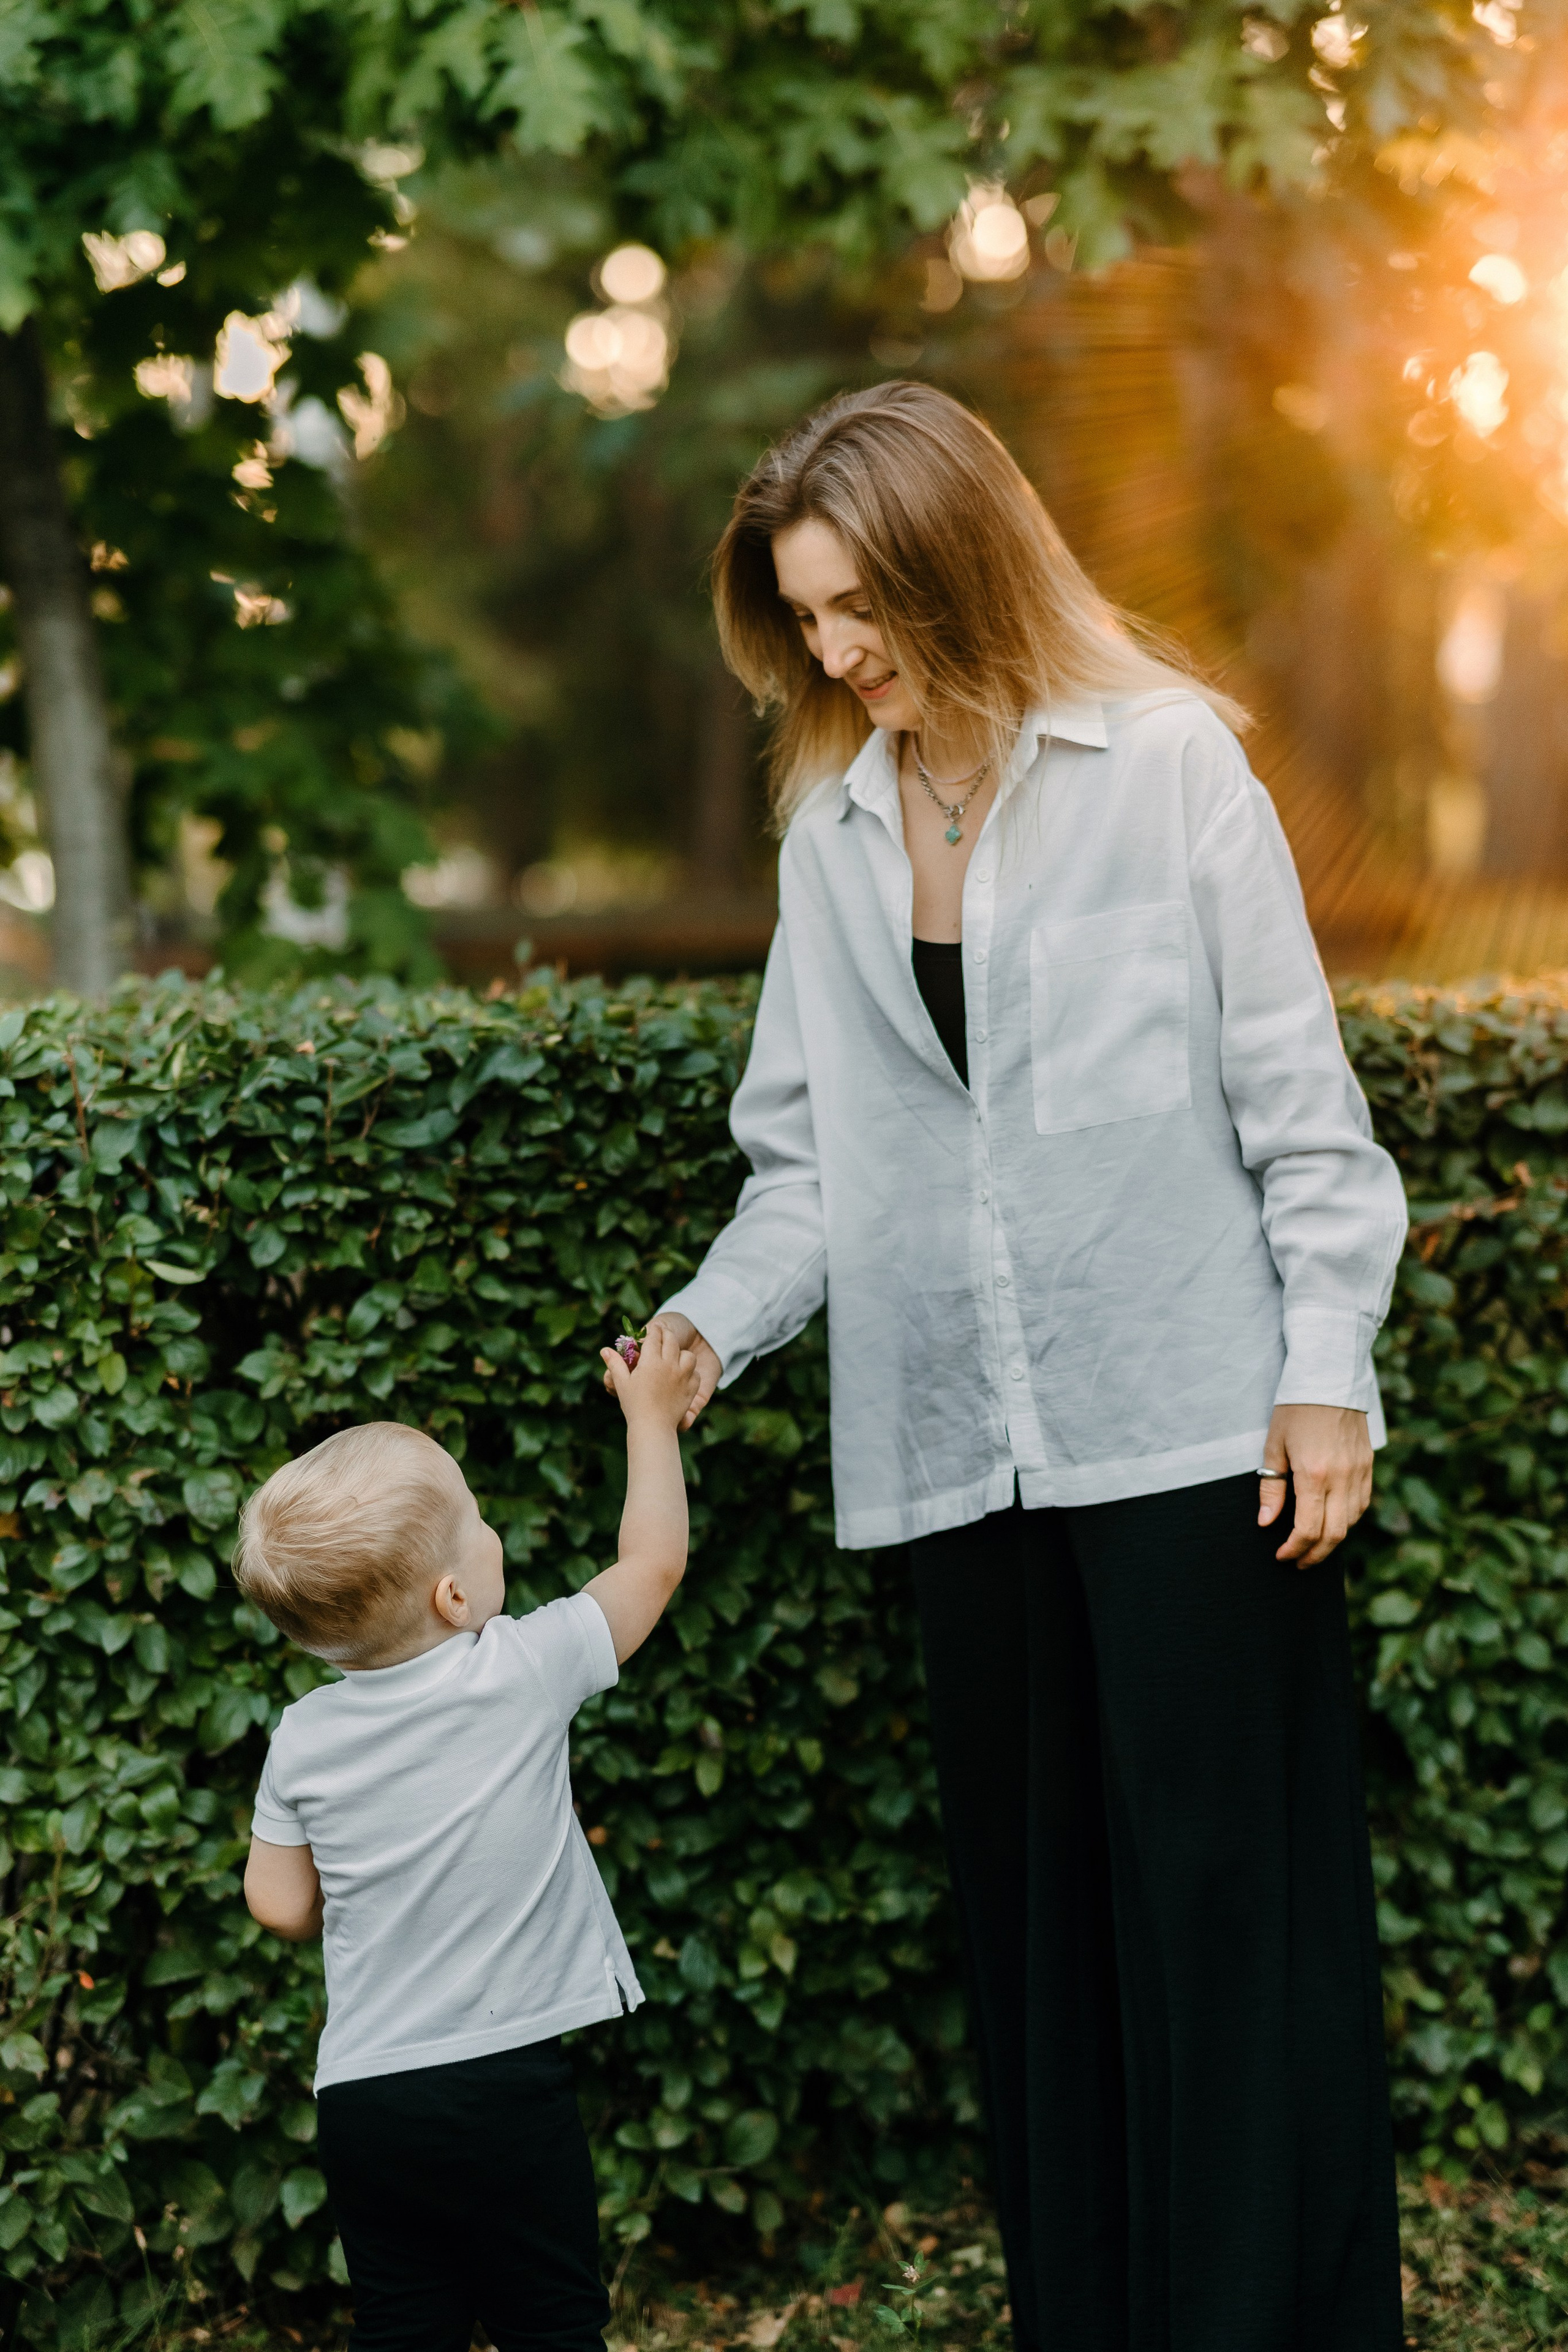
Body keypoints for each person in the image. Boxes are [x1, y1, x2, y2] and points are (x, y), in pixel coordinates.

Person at [641, 383, 1408, 2351]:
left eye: (856, 607)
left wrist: (1327, 1367)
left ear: (957, 564)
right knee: (1046, 1947)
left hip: (1188, 1432)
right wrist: (712, 1328)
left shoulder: (1167, 767)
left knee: (1224, 1932)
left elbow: (1299, 1108)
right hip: (960, 1461)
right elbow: (809, 1164)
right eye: (804, 619)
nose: (832, 653)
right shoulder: (830, 835)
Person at [238, 1327, 701, 2352]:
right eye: (479, 1525)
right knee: (553, 2323)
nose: (491, 1534)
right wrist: (649, 1418)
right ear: (456, 1596)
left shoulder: (305, 1734)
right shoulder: (517, 1668)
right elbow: (653, 1563)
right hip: (501, 2085)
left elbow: (275, 1904)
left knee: (406, 2325)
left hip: (366, 2097)